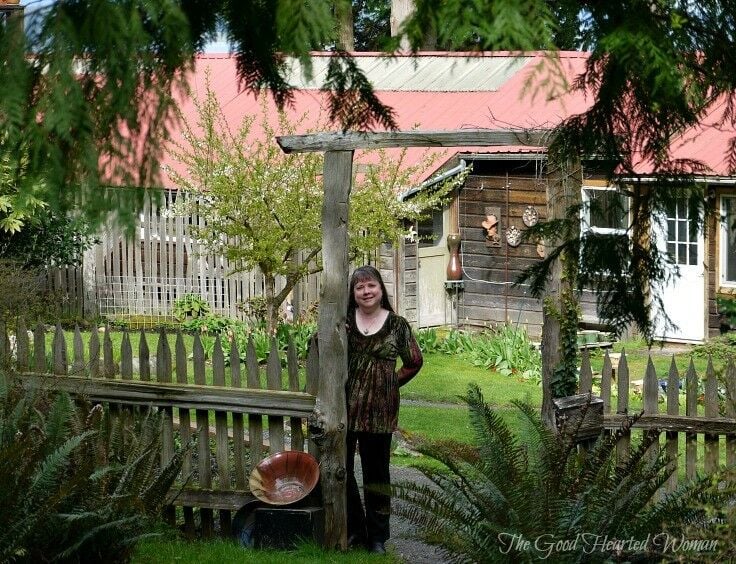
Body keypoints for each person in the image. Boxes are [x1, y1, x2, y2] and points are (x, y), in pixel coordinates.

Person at [345, 265, 423, 554]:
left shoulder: (397, 325)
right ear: (353, 294)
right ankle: (354, 529)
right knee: (341, 469)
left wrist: (391, 383)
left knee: (377, 474)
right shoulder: (345, 322)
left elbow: (414, 361)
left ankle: (377, 538)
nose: (366, 291)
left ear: (381, 289)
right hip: (345, 408)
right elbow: (320, 347)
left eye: (371, 286)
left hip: (380, 411)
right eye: (360, 287)